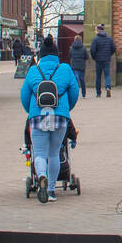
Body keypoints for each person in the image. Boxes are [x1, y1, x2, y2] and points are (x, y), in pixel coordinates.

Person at [20, 35, 79, 202]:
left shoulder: (33, 70)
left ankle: (41, 179)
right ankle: (52, 190)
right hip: (60, 116)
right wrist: (66, 109)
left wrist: (30, 112)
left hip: (37, 116)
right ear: (56, 54)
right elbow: (74, 93)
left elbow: (24, 96)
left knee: (39, 153)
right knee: (54, 153)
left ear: (42, 55)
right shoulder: (65, 69)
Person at [89, 23, 116, 97]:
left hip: (98, 60)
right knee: (107, 75)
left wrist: (94, 57)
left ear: (98, 30)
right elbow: (114, 48)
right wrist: (109, 55)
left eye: (95, 30)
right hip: (106, 59)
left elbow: (92, 50)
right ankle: (108, 87)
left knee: (98, 77)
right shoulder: (109, 38)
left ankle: (98, 93)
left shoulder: (95, 39)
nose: (95, 32)